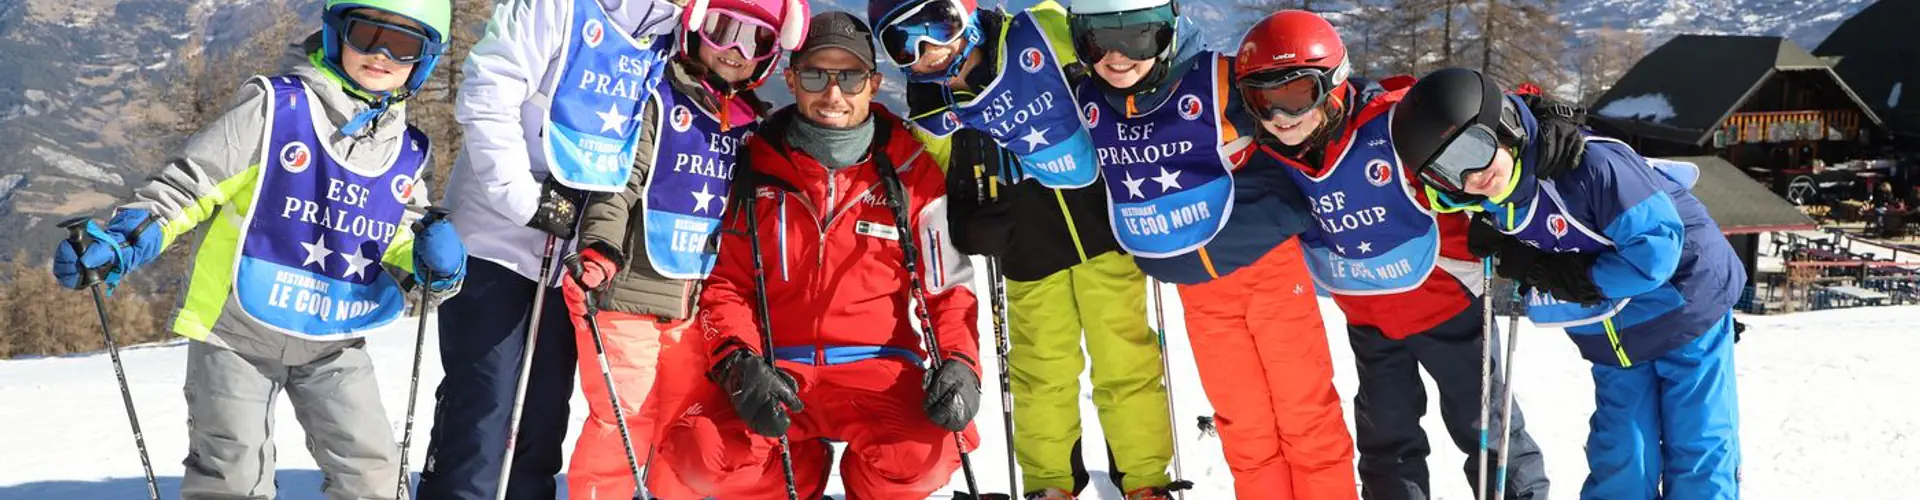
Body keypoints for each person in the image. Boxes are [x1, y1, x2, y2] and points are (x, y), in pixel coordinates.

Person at [49, 1, 463, 498]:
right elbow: (192, 186)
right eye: (364, 35)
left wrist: (434, 266)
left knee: (372, 473)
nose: (379, 54)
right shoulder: (274, 109)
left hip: (332, 335)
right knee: (234, 476)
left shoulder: (410, 152)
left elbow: (396, 242)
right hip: (235, 330)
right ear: (335, 35)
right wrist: (124, 241)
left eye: (402, 45)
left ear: (425, 61)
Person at [654, 12, 983, 499]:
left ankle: (867, 490)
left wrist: (960, 363)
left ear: (873, 84)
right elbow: (727, 285)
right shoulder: (754, 166)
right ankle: (796, 475)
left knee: (927, 455)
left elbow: (946, 286)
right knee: (699, 454)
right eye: (815, 75)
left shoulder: (910, 173)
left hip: (878, 369)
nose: (833, 95)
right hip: (777, 373)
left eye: (850, 77)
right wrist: (739, 364)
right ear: (791, 79)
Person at [1233, 11, 1550, 499]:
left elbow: (1482, 137)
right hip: (1370, 320)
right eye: (1263, 99)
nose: (1281, 116)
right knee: (1387, 441)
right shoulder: (1270, 155)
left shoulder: (1393, 123)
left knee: (1484, 429)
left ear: (1333, 83)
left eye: (1297, 95)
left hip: (1449, 305)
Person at [868, 0, 1175, 498]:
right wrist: (971, 221)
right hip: (1028, 250)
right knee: (1041, 372)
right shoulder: (931, 109)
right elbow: (948, 184)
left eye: (938, 23)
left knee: (1127, 360)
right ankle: (1050, 481)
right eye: (903, 42)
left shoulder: (1040, 32)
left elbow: (1114, 71)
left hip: (1102, 232)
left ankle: (1144, 479)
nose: (928, 48)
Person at [1393, 67, 1745, 500]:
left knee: (1697, 445)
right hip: (1613, 337)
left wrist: (1567, 276)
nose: (1471, 175)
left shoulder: (1591, 167)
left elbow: (1655, 251)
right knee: (1621, 455)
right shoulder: (1492, 200)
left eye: (1473, 148)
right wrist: (1519, 257)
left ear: (1501, 124)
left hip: (1687, 309)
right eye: (1449, 171)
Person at [1068, 1, 1357, 498]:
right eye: (1097, 40)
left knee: (1305, 414)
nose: (1117, 56)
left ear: (1166, 28)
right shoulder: (1089, 99)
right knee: (1242, 425)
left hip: (1267, 269)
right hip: (1200, 293)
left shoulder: (1218, 78)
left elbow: (1314, 108)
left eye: (1138, 36)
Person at [421, 0, 682, 497]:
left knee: (541, 416)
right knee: (485, 408)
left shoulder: (674, 31)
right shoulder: (558, 6)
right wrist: (525, 199)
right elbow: (488, 89)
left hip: (570, 255)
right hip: (495, 238)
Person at [556, 0, 808, 498]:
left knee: (682, 424)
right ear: (696, 29)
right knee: (625, 417)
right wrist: (600, 249)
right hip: (626, 293)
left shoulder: (746, 128)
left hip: (693, 308)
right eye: (723, 30)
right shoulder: (658, 101)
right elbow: (620, 183)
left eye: (754, 40)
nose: (735, 51)